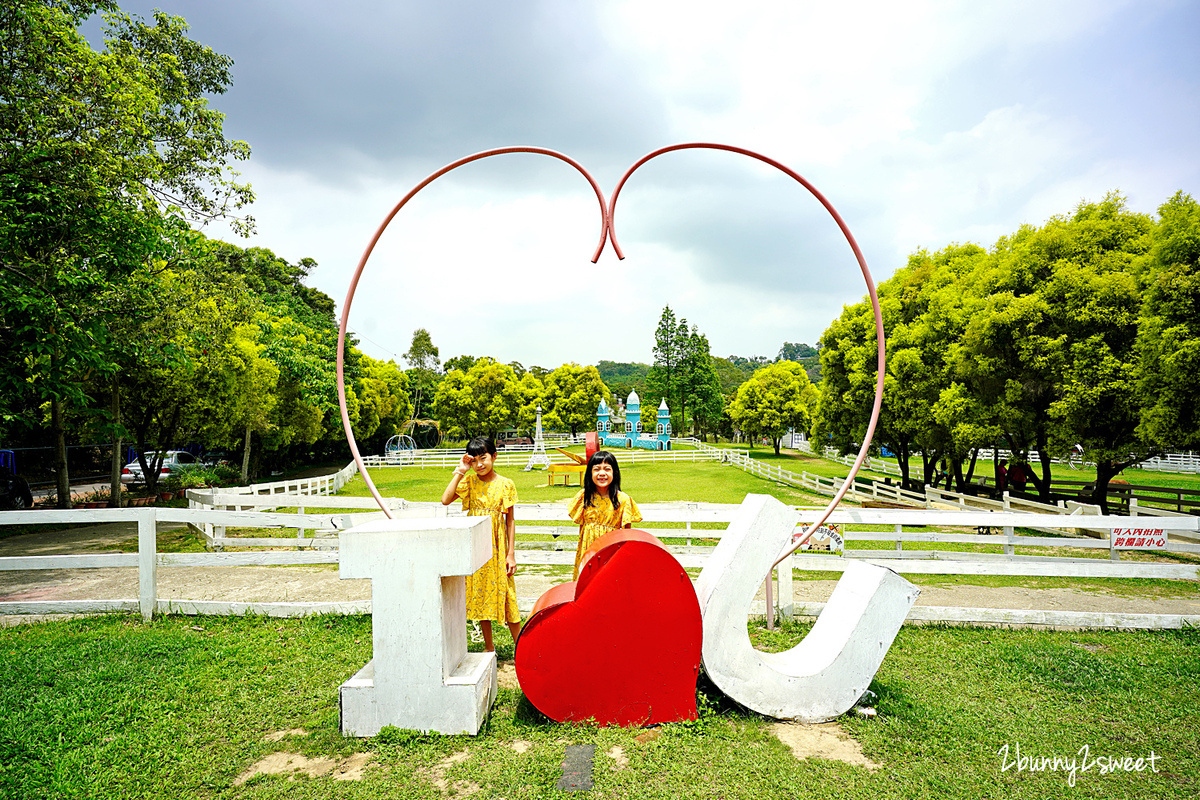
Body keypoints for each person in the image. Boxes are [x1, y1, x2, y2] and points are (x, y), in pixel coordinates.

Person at [440, 436, 521, 652]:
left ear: (494, 456)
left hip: (498, 545)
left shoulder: (506, 484)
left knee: (507, 592)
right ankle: (489, 647)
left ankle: (522, 648)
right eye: (474, 460)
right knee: (480, 592)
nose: (480, 464)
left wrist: (510, 554)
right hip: (476, 544)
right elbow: (445, 499)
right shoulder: (469, 481)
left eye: (483, 458)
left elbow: (510, 520)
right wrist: (461, 470)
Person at [567, 450, 643, 580]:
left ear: (614, 472)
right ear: (590, 473)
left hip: (611, 552)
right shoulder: (584, 497)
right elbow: (582, 529)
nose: (602, 473)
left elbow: (626, 533)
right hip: (588, 551)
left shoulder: (623, 500)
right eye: (596, 469)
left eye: (607, 469)